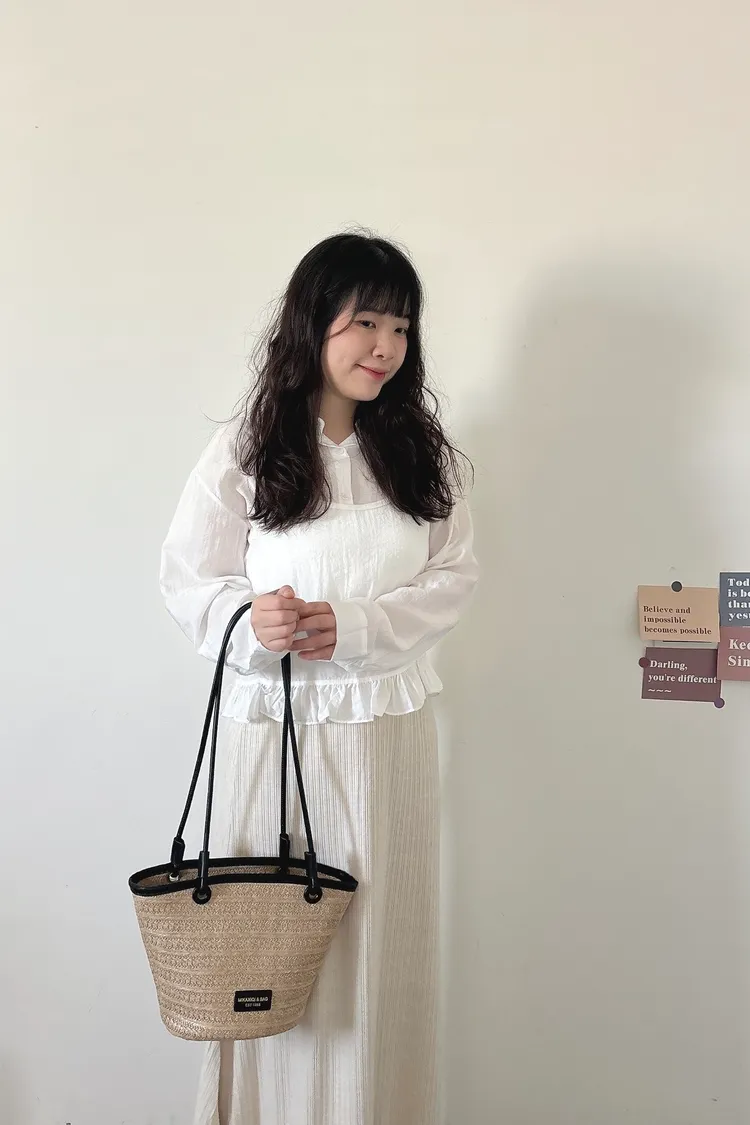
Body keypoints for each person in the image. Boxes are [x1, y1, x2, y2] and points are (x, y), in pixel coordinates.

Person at [159, 231, 479, 1125]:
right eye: (366, 321)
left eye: (402, 327)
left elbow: (453, 578)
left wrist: (361, 626)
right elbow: (187, 580)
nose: (387, 346)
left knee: (379, 943)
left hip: (387, 740)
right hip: (273, 736)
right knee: (268, 944)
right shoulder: (249, 447)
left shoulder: (422, 452)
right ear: (314, 322)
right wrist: (253, 621)